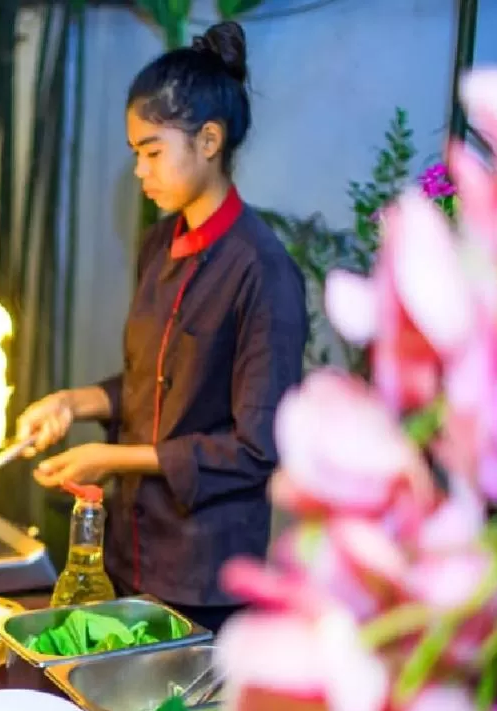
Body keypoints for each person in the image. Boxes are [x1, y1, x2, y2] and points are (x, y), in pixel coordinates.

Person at [16, 22, 308, 634]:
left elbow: (255, 449)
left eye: (151, 152)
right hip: (131, 556)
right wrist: (74, 403)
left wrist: (112, 458)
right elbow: (155, 383)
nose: (139, 172)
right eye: (135, 155)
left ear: (208, 140)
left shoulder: (263, 271)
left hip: (204, 577)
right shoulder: (160, 245)